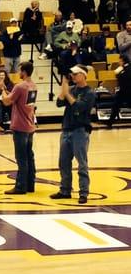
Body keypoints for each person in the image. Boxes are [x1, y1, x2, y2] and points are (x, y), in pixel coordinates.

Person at [50, 64, 96, 204]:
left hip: (80, 131)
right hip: (67, 129)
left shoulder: (90, 92)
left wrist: (67, 93)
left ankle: (83, 192)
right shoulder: (71, 89)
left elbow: (79, 107)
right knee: (63, 162)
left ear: (84, 75)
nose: (73, 77)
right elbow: (59, 102)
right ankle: (65, 190)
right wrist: (64, 86)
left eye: (76, 74)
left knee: (81, 163)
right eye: (73, 75)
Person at [1, 61, 37, 194]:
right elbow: (19, 99)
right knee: (29, 156)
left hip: (20, 126)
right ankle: (30, 184)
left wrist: (2, 89)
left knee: (21, 157)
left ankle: (21, 186)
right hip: (29, 125)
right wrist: (7, 91)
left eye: (20, 70)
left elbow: (7, 101)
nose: (18, 73)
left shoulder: (20, 86)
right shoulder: (33, 86)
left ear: (24, 72)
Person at [107, 55, 131, 127]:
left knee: (116, 105)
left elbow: (124, 78)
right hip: (123, 91)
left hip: (127, 91)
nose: (118, 62)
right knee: (116, 105)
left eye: (120, 60)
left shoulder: (128, 68)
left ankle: (110, 122)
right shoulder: (124, 68)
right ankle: (110, 122)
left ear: (123, 61)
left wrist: (118, 74)